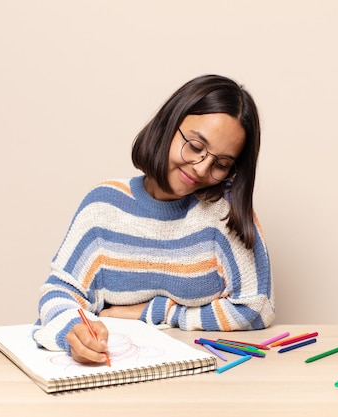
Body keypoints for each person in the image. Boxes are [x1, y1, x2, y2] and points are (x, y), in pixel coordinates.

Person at [32, 74, 275, 365]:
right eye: (196, 147)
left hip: (202, 383)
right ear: (168, 125)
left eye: (221, 164)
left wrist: (155, 312)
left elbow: (256, 307)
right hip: (115, 373)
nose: (201, 169)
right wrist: (73, 330)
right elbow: (60, 291)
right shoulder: (104, 205)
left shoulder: (224, 212)